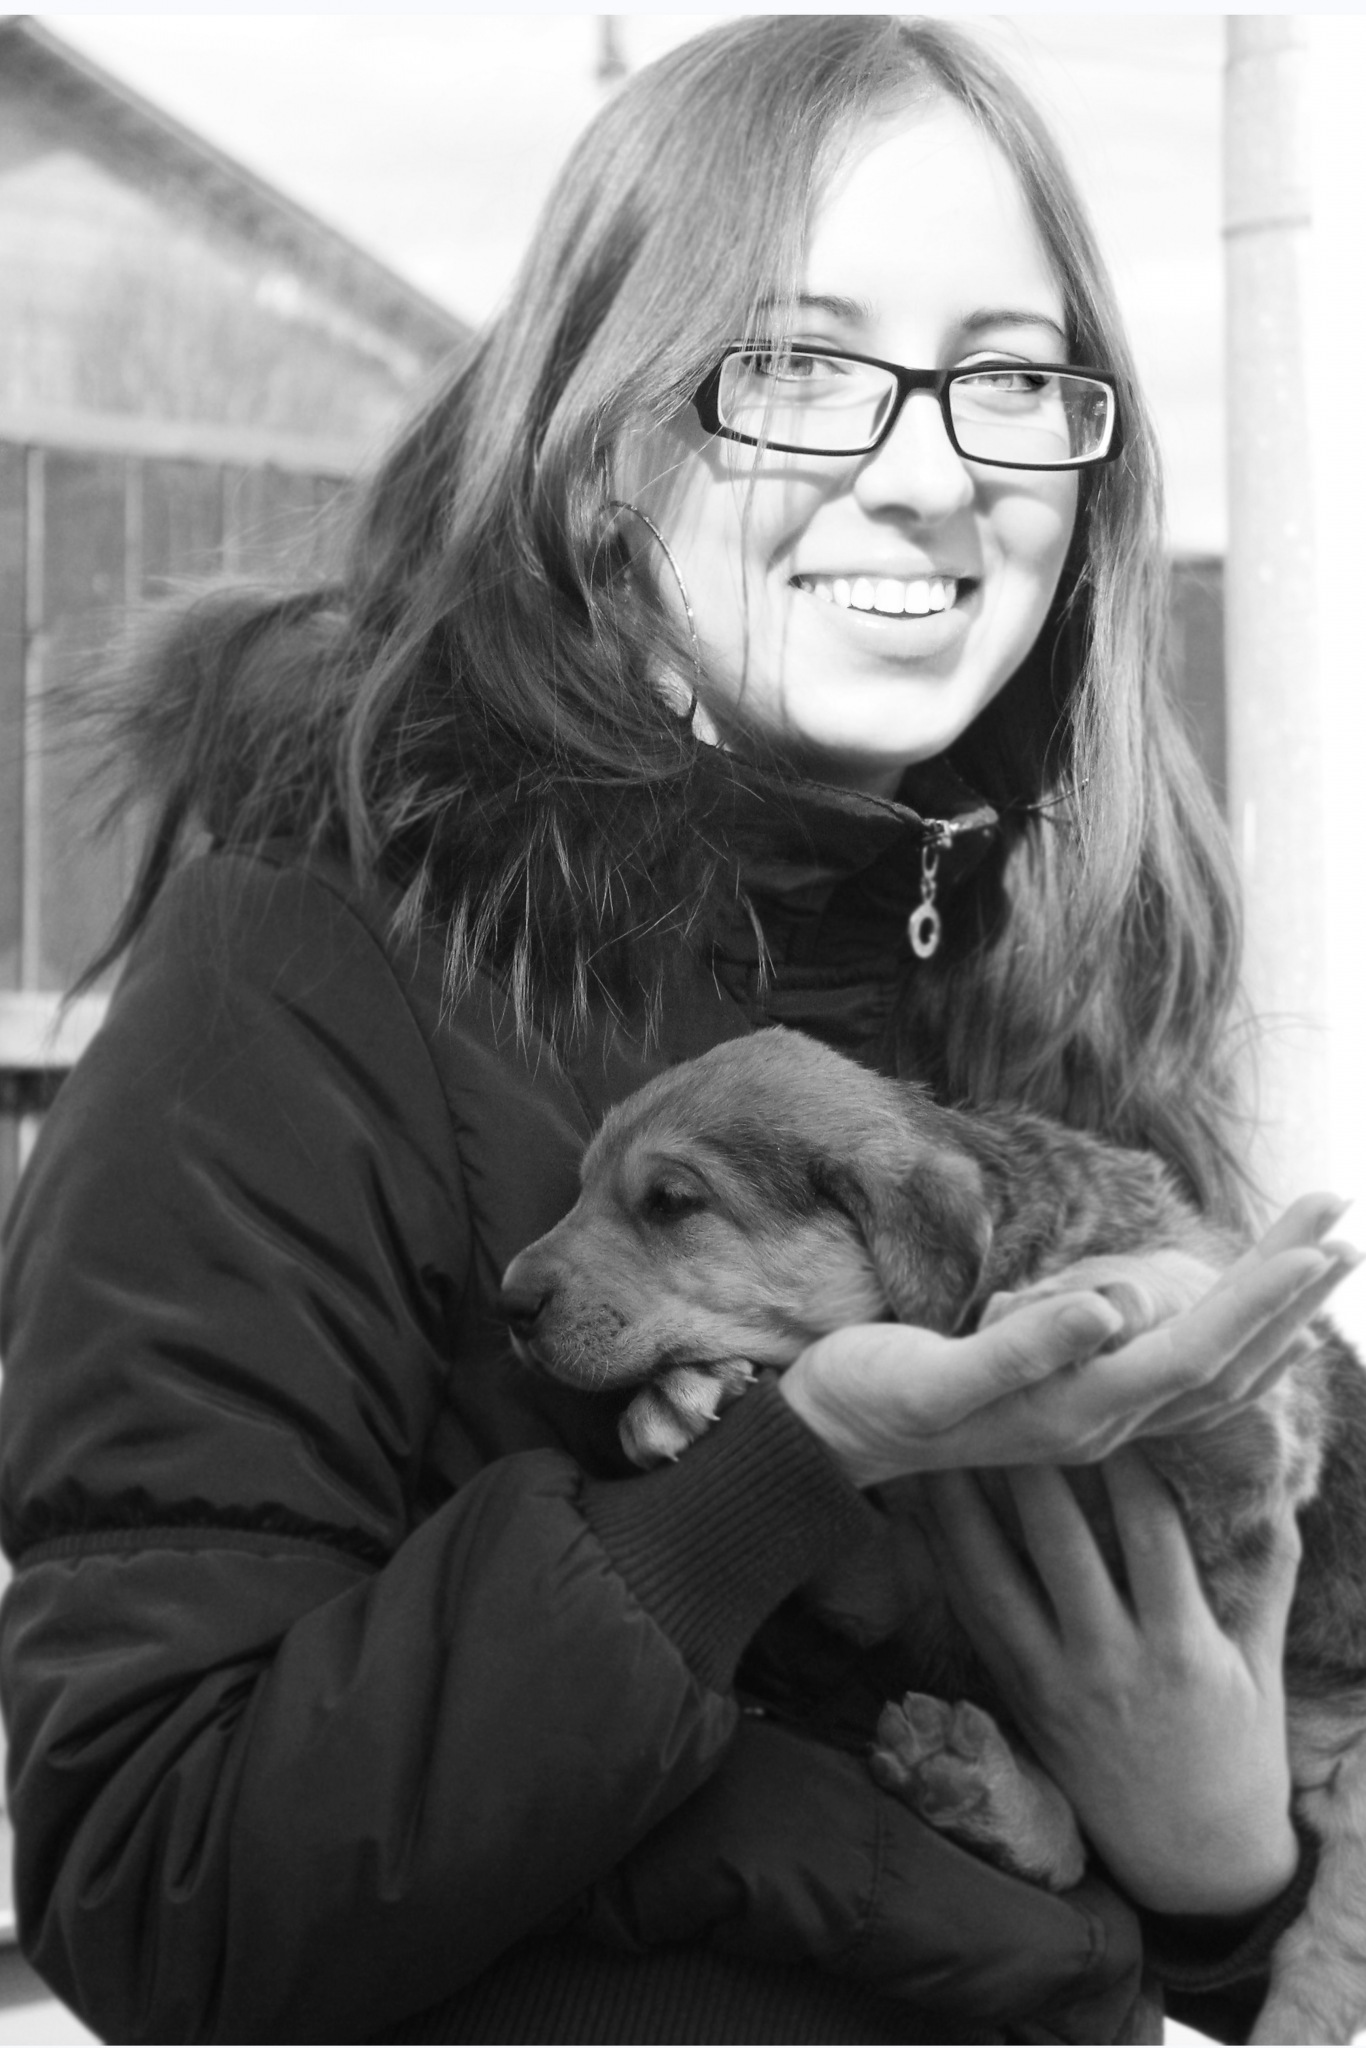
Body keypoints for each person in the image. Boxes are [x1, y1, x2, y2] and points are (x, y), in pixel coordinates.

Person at [0, 16, 1349, 2044]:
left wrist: (1223, 1865)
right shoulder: (299, 973)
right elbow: (158, 1889)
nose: (926, 476)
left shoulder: (1060, 985)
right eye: (801, 365)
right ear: (599, 433)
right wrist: (774, 1478)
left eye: (1007, 377)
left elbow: (1215, 1824)